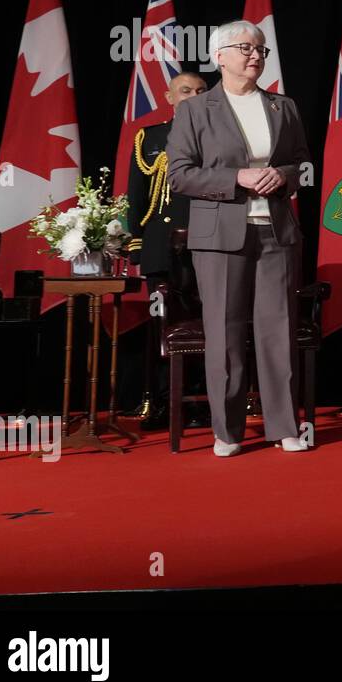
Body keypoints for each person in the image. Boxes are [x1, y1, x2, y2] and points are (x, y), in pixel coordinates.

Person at [166, 21, 311, 456]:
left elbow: (304, 166)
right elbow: (179, 175)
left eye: (261, 50)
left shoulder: (283, 107)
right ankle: (227, 432)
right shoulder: (195, 109)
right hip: (220, 236)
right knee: (225, 333)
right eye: (245, 48)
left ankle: (284, 426)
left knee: (278, 330)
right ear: (220, 56)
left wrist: (282, 175)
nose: (255, 56)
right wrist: (237, 178)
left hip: (277, 232)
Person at [125, 71, 210, 430]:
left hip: (209, 243)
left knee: (208, 326)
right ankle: (162, 403)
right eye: (185, 91)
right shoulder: (150, 137)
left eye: (201, 91)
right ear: (169, 97)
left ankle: (204, 403)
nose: (193, 95)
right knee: (163, 327)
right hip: (161, 245)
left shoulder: (220, 136)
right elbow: (137, 194)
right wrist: (137, 243)